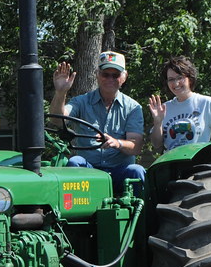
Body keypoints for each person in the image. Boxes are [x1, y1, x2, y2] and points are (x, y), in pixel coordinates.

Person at [50, 51, 145, 193]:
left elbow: (136, 146)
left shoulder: (133, 107)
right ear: (97, 75)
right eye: (105, 74)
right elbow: (57, 120)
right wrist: (60, 92)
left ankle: (143, 214)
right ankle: (75, 214)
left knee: (137, 171)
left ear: (124, 77)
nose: (110, 79)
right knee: (75, 162)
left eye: (116, 75)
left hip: (119, 170)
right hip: (89, 170)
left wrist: (117, 143)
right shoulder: (81, 102)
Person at [148, 55, 211, 152]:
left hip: (199, 162)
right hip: (172, 163)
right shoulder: (163, 108)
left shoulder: (207, 103)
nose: (176, 83)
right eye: (171, 79)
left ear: (190, 78)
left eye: (180, 77)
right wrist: (158, 122)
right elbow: (156, 144)